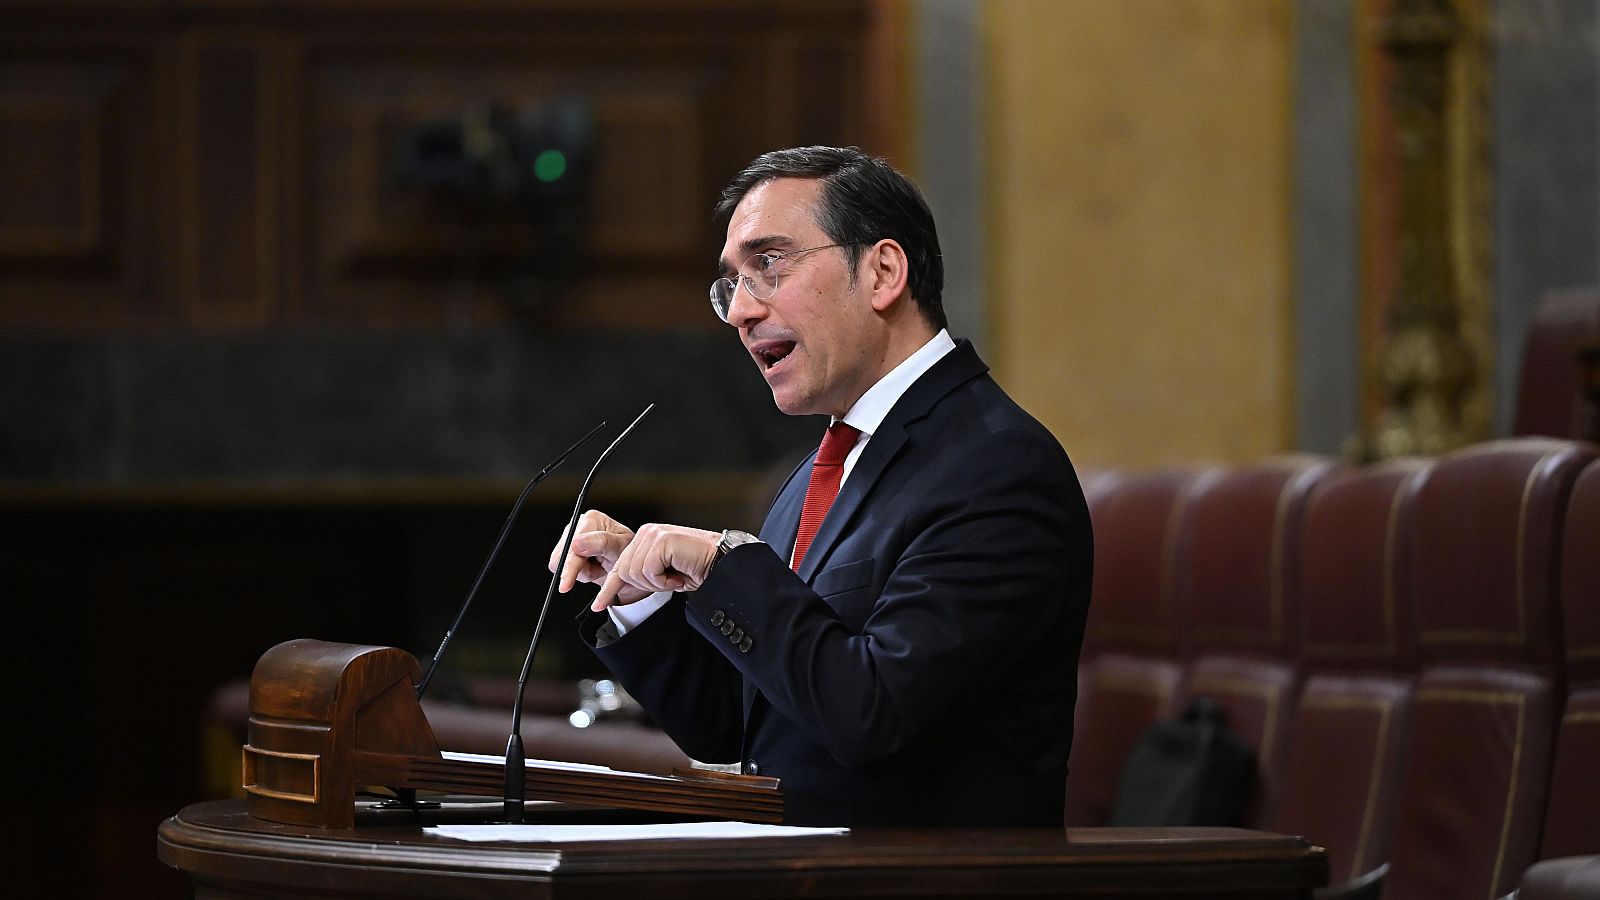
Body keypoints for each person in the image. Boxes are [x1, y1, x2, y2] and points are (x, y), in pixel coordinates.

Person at [549, 146, 1091, 826]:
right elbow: (743, 725)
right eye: (732, 285)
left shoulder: (997, 466)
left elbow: (877, 716)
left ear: (883, 271)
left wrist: (723, 566)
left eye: (768, 266)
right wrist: (645, 600)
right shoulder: (817, 471)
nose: (741, 311)